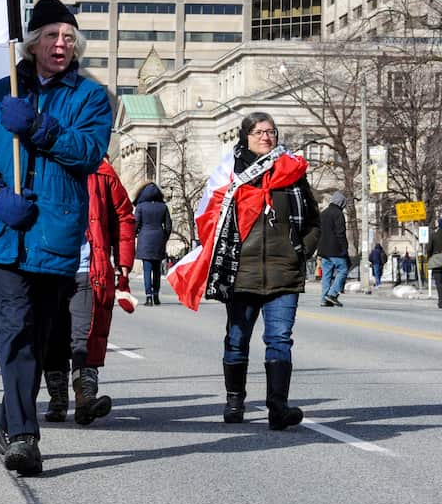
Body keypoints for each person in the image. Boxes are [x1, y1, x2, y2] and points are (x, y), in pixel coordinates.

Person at [0, 0, 112, 475]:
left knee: (42, 336)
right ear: (31, 43)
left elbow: (89, 152)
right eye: (52, 36)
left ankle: (11, 418)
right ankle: (25, 438)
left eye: (69, 37)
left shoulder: (90, 97)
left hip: (55, 235)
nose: (61, 44)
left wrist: (42, 128)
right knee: (14, 334)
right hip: (5, 234)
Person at [169, 112, 318, 431]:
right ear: (246, 136)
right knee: (237, 338)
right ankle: (234, 399)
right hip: (241, 271)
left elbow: (312, 220)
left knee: (280, 339)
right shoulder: (229, 175)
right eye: (260, 132)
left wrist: (300, 250)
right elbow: (209, 218)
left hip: (284, 273)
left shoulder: (292, 172)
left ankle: (277, 407)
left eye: (272, 132)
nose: (267, 137)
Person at [43, 157, 135, 426]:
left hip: (87, 267)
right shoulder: (43, 161)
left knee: (83, 335)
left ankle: (85, 400)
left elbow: (123, 215)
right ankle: (58, 399)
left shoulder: (102, 171)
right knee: (54, 337)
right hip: (49, 267)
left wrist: (124, 261)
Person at [133, 182, 172, 306]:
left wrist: (136, 233)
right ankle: (156, 296)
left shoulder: (140, 207)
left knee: (147, 270)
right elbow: (168, 225)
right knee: (157, 270)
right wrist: (164, 237)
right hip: (159, 239)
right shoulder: (163, 207)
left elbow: (135, 224)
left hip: (145, 238)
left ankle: (148, 296)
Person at [318, 192, 350, 307]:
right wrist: (344, 248)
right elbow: (340, 233)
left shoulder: (323, 213)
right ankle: (332, 294)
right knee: (343, 269)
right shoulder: (338, 214)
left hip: (323, 250)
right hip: (335, 249)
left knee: (326, 274)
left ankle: (324, 299)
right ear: (341, 203)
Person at [428, 220, 442, 309]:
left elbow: (429, 249)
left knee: (439, 283)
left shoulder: (434, 235)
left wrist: (430, 257)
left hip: (437, 261)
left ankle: (441, 302)